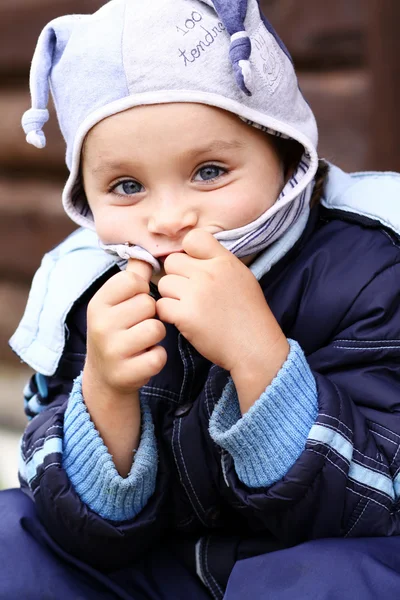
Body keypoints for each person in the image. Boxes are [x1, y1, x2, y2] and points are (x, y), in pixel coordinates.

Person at [1, 0, 400, 598]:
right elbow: (75, 525)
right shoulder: (92, 288)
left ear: (287, 153)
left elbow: (377, 506)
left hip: (305, 563)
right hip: (164, 569)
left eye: (209, 171)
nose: (168, 218)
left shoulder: (367, 268)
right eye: (127, 186)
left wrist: (258, 359)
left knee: (340, 579)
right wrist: (105, 394)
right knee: (13, 536)